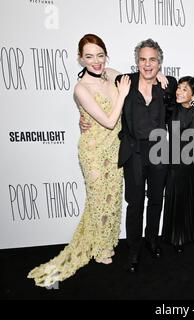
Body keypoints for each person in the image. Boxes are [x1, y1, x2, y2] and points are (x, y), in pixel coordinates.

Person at [27, 34, 131, 287]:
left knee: (113, 197)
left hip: (114, 148)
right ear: (80, 59)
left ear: (106, 55)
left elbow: (136, 80)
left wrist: (159, 77)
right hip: (94, 151)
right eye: (89, 57)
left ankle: (104, 242)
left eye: (100, 55)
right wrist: (122, 95)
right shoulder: (81, 88)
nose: (96, 61)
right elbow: (108, 121)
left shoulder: (112, 73)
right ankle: (100, 250)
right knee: (98, 199)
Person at [116, 39, 177, 273]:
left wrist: (167, 86)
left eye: (152, 59)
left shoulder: (168, 83)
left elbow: (185, 98)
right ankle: (134, 247)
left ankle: (152, 239)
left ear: (160, 62)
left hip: (159, 148)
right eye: (143, 59)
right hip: (134, 151)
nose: (147, 64)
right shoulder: (125, 81)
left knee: (155, 199)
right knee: (135, 202)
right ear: (137, 61)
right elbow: (99, 79)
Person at [161, 76, 194, 253]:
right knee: (178, 198)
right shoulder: (170, 108)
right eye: (179, 88)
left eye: (185, 89)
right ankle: (178, 236)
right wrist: (162, 78)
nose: (179, 92)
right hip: (175, 160)